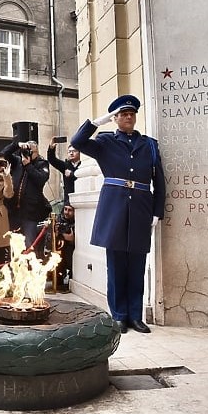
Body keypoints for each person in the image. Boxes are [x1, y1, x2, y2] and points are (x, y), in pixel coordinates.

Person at [70, 94, 165, 334]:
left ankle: (135, 315)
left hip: (141, 207)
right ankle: (119, 315)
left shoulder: (149, 145)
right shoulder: (104, 142)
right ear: (116, 119)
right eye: (123, 114)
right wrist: (96, 122)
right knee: (116, 265)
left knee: (137, 265)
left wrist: (157, 211)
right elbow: (78, 141)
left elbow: (159, 181)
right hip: (114, 209)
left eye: (131, 114)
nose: (128, 118)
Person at [1, 139, 51, 254]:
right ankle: (16, 269)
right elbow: (5, 154)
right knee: (15, 245)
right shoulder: (17, 161)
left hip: (31, 213)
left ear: (37, 152)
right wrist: (16, 144)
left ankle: (30, 270)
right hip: (15, 211)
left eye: (31, 152)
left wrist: (28, 165)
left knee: (30, 245)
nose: (28, 154)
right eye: (26, 151)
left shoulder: (42, 163)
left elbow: (41, 179)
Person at [46, 202, 75, 292]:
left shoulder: (77, 221)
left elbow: (72, 239)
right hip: (58, 248)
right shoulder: (58, 219)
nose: (66, 212)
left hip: (70, 249)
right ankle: (57, 281)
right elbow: (51, 238)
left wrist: (62, 235)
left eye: (70, 210)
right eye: (65, 209)